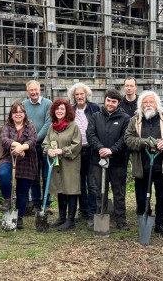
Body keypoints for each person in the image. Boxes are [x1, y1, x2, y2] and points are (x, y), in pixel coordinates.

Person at [124, 91, 163, 237]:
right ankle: (145, 219)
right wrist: (144, 143)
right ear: (141, 105)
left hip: (162, 167)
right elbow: (128, 138)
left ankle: (161, 224)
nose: (148, 105)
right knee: (142, 198)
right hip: (142, 167)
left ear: (157, 104)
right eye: (145, 102)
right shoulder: (135, 120)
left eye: (151, 102)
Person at [86, 89, 131, 230]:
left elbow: (124, 138)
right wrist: (100, 148)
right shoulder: (96, 116)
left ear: (118, 103)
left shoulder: (125, 118)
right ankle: (101, 216)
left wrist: (111, 150)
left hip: (118, 162)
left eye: (114, 101)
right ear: (104, 100)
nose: (110, 104)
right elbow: (90, 134)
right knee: (100, 190)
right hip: (98, 161)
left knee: (118, 192)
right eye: (108, 100)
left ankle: (120, 220)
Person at [42, 98, 82, 231]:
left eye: (62, 109)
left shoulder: (73, 126)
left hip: (70, 163)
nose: (59, 111)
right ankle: (62, 217)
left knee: (70, 189)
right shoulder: (51, 127)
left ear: (67, 111)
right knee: (60, 188)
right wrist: (49, 150)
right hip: (57, 164)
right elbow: (45, 143)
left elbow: (77, 145)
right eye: (57, 109)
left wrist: (62, 151)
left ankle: (70, 220)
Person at [0, 101, 38, 230]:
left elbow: (33, 140)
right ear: (11, 114)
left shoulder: (30, 126)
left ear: (24, 114)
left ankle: (19, 217)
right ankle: (8, 199)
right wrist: (17, 145)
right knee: (3, 174)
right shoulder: (7, 127)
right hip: (9, 158)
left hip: (27, 160)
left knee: (23, 190)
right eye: (15, 112)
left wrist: (22, 148)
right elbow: (4, 140)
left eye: (20, 112)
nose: (18, 114)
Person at [68, 82, 100, 228]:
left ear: (86, 94)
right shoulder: (71, 110)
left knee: (92, 183)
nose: (80, 96)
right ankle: (84, 210)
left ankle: (93, 212)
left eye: (82, 94)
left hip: (92, 150)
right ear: (73, 97)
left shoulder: (95, 108)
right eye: (77, 94)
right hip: (77, 151)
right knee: (79, 183)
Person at [22, 80, 53, 215]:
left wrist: (34, 139)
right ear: (27, 92)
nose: (34, 92)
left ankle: (46, 203)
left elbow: (48, 123)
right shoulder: (23, 105)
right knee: (33, 176)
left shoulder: (47, 104)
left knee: (47, 175)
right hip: (31, 147)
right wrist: (30, 142)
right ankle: (36, 203)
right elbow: (22, 123)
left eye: (36, 90)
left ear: (40, 90)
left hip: (45, 144)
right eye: (31, 90)